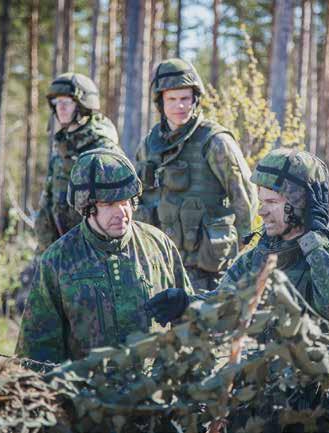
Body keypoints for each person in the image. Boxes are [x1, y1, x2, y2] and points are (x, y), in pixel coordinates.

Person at [146, 148, 329, 335]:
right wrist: (185, 304)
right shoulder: (257, 258)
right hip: (265, 382)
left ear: (300, 203)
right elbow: (222, 305)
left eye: (271, 202)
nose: (261, 211)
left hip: (322, 383)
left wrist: (313, 237)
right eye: (261, 202)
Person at [16, 149, 192, 363]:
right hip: (86, 393)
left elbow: (194, 323)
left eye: (126, 201)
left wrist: (186, 305)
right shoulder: (58, 260)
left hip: (155, 390)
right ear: (87, 207)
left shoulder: (159, 245)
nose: (121, 212)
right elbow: (36, 351)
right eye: (109, 204)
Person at [135, 58, 258, 292]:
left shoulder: (214, 141)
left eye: (185, 99)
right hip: (158, 262)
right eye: (172, 99)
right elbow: (137, 197)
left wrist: (244, 242)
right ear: (160, 103)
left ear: (195, 99)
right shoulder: (149, 145)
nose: (179, 106)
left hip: (206, 267)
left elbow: (243, 192)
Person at [34, 72, 124, 252]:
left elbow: (118, 210)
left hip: (94, 254)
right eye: (56, 103)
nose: (60, 108)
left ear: (83, 106)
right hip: (62, 251)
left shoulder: (103, 151)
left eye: (66, 103)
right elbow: (48, 203)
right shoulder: (61, 149)